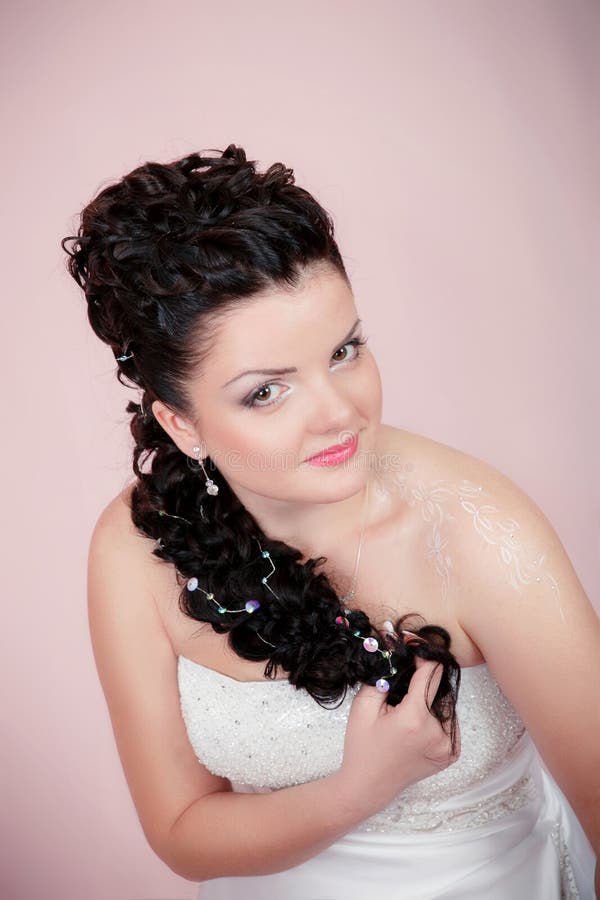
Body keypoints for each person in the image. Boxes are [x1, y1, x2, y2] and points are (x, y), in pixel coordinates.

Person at [62, 144, 599, 899]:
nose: (341, 412)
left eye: (344, 350)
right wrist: (358, 789)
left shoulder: (479, 530)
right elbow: (182, 829)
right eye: (266, 393)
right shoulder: (133, 549)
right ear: (181, 424)